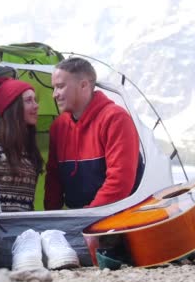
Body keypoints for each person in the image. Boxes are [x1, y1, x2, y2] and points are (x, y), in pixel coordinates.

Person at [44, 57, 140, 210]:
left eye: (60, 86)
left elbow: (120, 181)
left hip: (114, 220)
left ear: (84, 85)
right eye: (54, 88)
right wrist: (50, 223)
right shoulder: (59, 126)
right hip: (77, 220)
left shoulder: (116, 119)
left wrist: (89, 221)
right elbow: (53, 181)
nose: (54, 95)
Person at [0, 74, 43, 212]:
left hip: (23, 228)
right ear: (13, 107)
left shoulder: (28, 147)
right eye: (29, 100)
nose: (36, 105)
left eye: (35, 100)